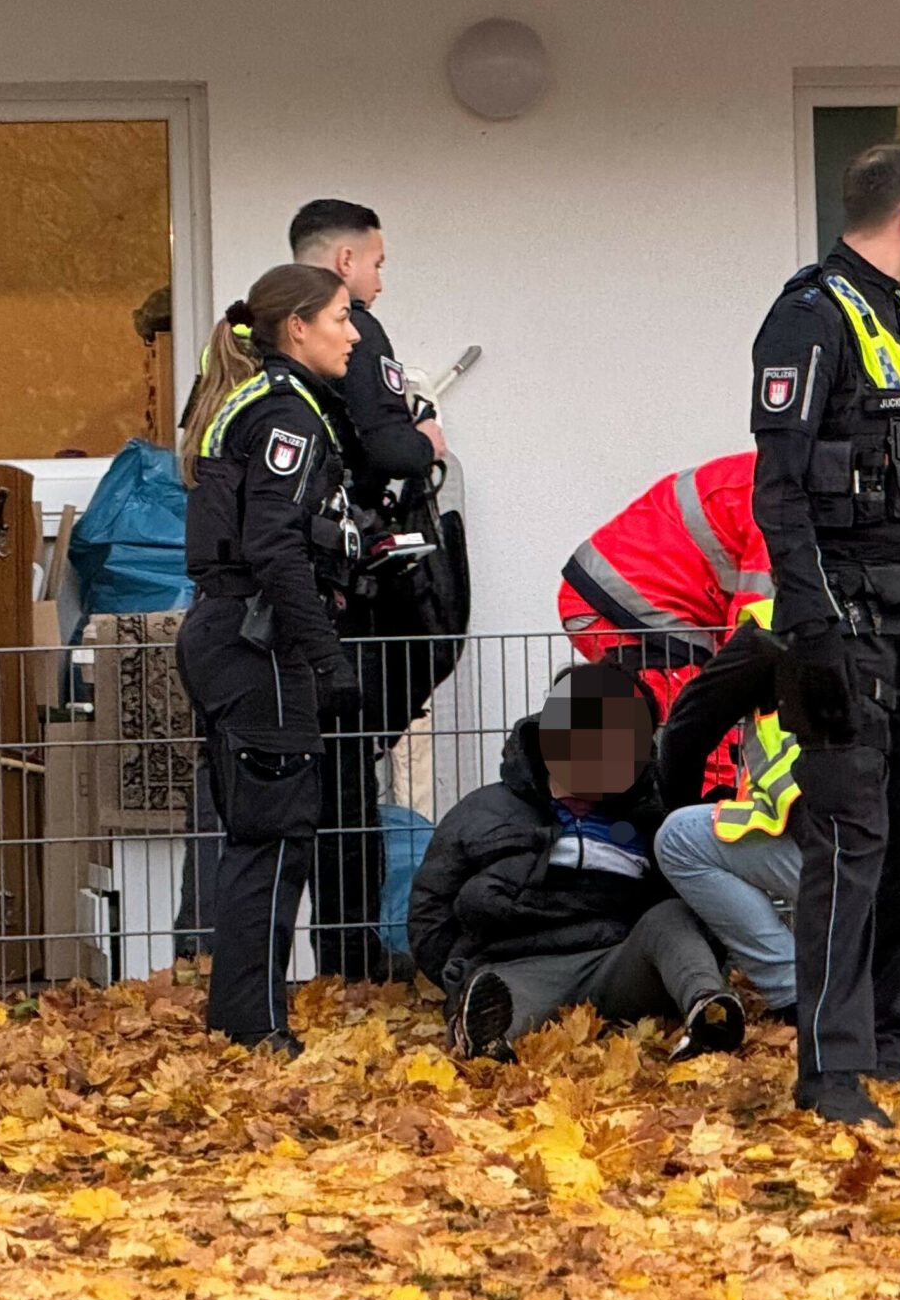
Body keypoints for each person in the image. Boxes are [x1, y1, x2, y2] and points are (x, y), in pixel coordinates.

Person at [749, 142, 900, 1126]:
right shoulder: (810, 316)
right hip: (840, 613)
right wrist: (812, 631)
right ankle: (832, 1071)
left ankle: (891, 1035)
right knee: (849, 834)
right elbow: (779, 490)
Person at [653, 614, 900, 1028]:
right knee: (888, 841)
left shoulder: (775, 624)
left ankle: (795, 992)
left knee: (680, 839)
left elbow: (687, 728)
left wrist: (679, 802)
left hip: (868, 862)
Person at [175, 265, 366, 1053]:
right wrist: (329, 662)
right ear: (297, 327)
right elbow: (273, 547)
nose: (353, 334)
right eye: (342, 318)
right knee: (275, 835)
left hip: (230, 636)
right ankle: (255, 1028)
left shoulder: (252, 403)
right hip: (259, 645)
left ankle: (244, 1018)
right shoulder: (286, 413)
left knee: (258, 831)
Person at [406, 663, 744, 1061]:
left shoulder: (655, 819)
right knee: (493, 996)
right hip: (518, 967)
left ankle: (710, 1011)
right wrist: (457, 973)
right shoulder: (483, 810)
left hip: (616, 965)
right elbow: (429, 908)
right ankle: (484, 1034)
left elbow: (694, 904)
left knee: (670, 917)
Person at [288, 199, 448, 984]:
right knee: (348, 778)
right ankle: (352, 956)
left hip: (297, 607)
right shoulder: (352, 329)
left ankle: (330, 954)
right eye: (377, 262)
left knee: (314, 784)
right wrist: (426, 439)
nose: (378, 286)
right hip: (349, 603)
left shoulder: (263, 359)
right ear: (345, 262)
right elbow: (388, 445)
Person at [557, 452, 772, 758]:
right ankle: (705, 800)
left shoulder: (769, 479)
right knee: (698, 711)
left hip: (622, 597)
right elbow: (756, 623)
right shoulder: (781, 502)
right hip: (628, 602)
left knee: (676, 719)